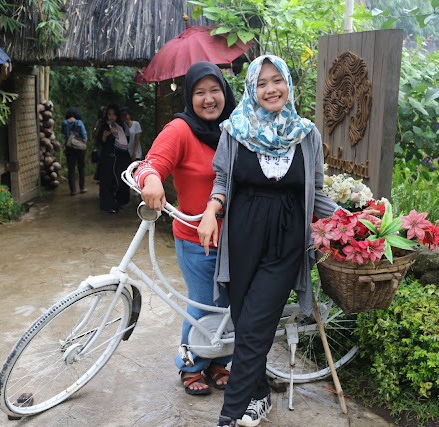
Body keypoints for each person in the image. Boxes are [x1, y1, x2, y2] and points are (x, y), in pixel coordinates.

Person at [197, 55, 338, 427]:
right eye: (261, 83)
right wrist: (212, 211)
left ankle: (227, 417)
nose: (270, 89)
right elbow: (223, 180)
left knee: (256, 325)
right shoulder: (234, 130)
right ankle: (258, 396)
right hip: (241, 240)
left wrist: (352, 221)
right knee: (246, 326)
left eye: (277, 80)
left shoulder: (306, 134)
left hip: (286, 243)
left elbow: (317, 193)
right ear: (250, 89)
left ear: (288, 84)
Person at [134, 62, 236, 396]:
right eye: (200, 92)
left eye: (215, 90)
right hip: (196, 238)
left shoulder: (237, 128)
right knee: (202, 307)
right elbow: (150, 164)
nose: (209, 99)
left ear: (226, 92)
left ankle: (220, 363)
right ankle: (189, 365)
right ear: (190, 97)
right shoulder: (180, 130)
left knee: (230, 307)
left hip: (238, 238)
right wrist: (151, 181)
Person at [97, 105, 130, 213]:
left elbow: (127, 141)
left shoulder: (121, 126)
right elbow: (100, 143)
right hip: (107, 158)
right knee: (107, 182)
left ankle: (120, 202)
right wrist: (105, 136)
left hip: (120, 158)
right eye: (109, 114)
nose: (111, 117)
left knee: (120, 181)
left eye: (113, 114)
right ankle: (108, 205)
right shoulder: (104, 126)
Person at [61, 107, 88, 196]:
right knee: (81, 168)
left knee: (71, 169)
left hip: (69, 148)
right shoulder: (79, 123)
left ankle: (73, 190)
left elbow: (63, 133)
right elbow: (84, 136)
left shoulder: (64, 123)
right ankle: (82, 187)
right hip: (80, 148)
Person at [92, 106, 107, 182]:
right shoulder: (98, 123)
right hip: (100, 145)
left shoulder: (111, 123)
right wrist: (97, 128)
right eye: (102, 114)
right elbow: (94, 136)